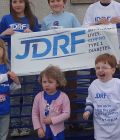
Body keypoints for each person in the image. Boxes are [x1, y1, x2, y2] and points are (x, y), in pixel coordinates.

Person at [0, 0, 40, 136]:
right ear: (11, 4)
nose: (18, 4)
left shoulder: (33, 19)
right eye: (14, 1)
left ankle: (26, 125)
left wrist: (31, 33)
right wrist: (5, 32)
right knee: (14, 95)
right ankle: (14, 126)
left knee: (27, 95)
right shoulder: (6, 18)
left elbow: (40, 41)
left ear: (25, 3)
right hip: (12, 63)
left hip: (29, 62)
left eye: (21, 1)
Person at [41, 0, 81, 130]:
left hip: (70, 63)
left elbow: (80, 35)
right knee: (54, 93)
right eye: (52, 1)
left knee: (71, 92)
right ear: (49, 4)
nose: (55, 3)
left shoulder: (71, 17)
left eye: (58, 0)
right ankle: (56, 121)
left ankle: (73, 121)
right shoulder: (45, 20)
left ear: (64, 3)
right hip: (53, 65)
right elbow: (41, 39)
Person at [83, 53, 120, 140]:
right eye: (97, 68)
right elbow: (90, 102)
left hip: (118, 131)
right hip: (100, 131)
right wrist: (88, 111)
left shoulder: (119, 84)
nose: (100, 70)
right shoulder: (93, 85)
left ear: (113, 70)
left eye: (104, 67)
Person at [32, 65, 70, 140]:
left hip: (58, 132)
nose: (47, 84)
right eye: (44, 82)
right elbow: (34, 114)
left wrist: (52, 120)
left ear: (57, 83)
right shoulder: (38, 97)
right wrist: (38, 128)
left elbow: (66, 114)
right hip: (43, 131)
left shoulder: (63, 97)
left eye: (50, 82)